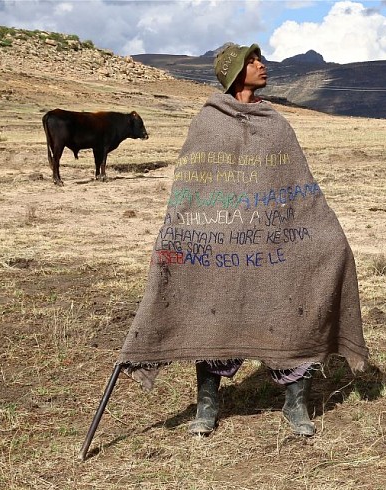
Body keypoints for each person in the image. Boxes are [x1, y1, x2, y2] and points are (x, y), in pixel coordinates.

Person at [116, 42, 369, 438]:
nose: (262, 66)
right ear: (235, 73)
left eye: (259, 59)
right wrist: (179, 230)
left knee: (295, 299)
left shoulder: (276, 123)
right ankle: (208, 401)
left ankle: (295, 400)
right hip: (218, 241)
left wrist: (323, 234)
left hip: (271, 239)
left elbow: (294, 187)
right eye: (252, 62)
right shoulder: (207, 122)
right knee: (213, 307)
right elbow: (193, 186)